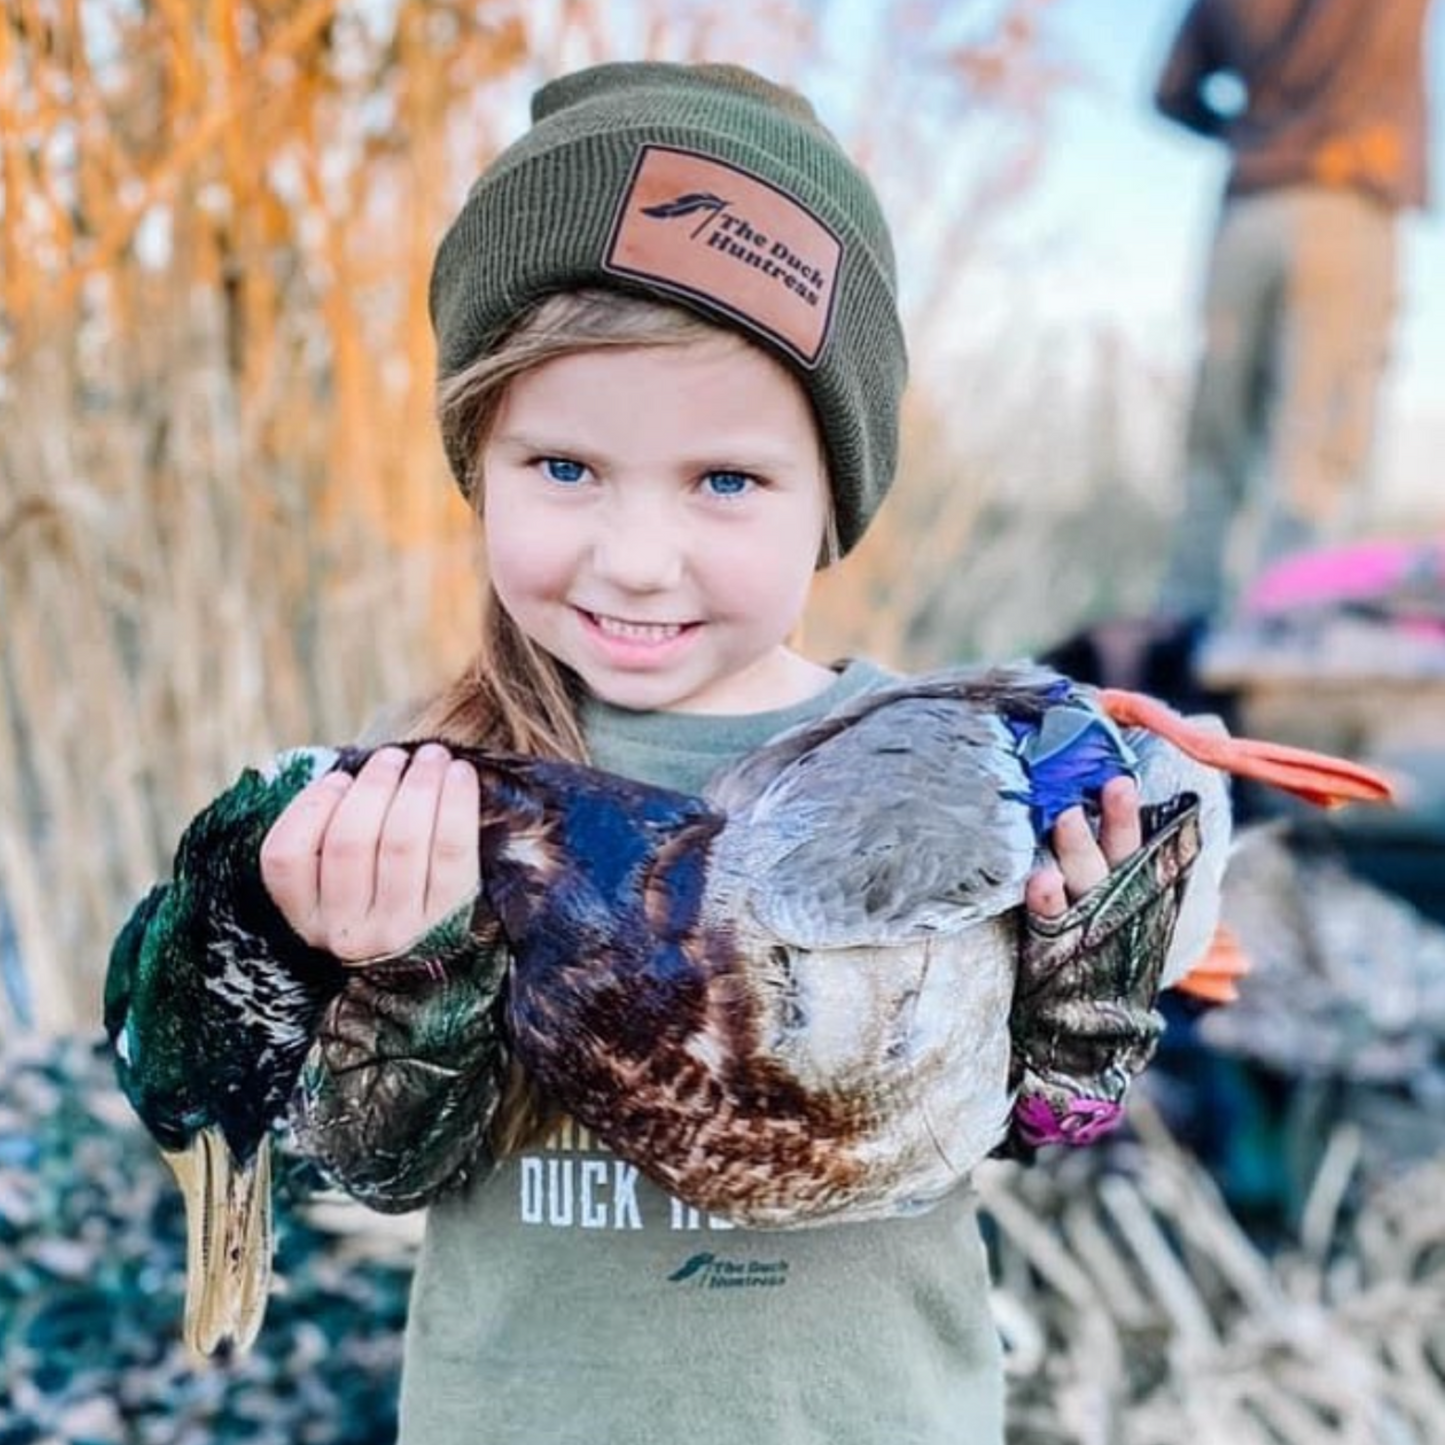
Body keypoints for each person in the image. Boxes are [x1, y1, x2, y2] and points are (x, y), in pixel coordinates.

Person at [241, 63, 1160, 1444]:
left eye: (724, 481)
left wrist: (1081, 1018)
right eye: (564, 468)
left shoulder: (948, 775)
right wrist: (401, 972)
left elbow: (1036, 1137)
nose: (636, 556)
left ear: (830, 501)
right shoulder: (431, 794)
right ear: (477, 464)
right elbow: (372, 1166)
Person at [1151, 0, 1435, 629]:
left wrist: (1259, 133)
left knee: (1214, 447)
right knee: (1319, 452)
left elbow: (1171, 92)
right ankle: (1285, 645)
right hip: (1349, 201)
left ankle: (1180, 639)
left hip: (1249, 212)